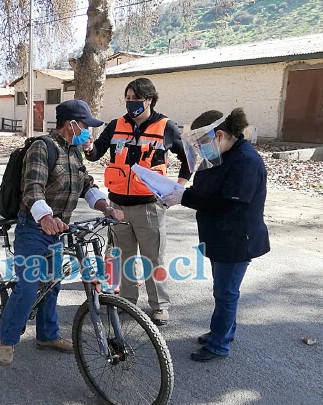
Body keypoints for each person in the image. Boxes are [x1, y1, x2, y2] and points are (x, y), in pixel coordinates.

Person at [0, 99, 124, 366]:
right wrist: (44, 216)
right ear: (72, 124)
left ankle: (47, 335)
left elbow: (87, 184)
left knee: (53, 284)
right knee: (28, 287)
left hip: (59, 228)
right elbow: (32, 188)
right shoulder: (43, 147)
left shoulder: (74, 151)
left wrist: (105, 207)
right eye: (86, 126)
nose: (89, 131)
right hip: (34, 228)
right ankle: (5, 339)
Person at [161, 108, 270, 362]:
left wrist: (184, 197)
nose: (200, 151)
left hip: (236, 239)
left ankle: (219, 344)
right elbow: (206, 189)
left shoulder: (245, 162)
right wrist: (182, 192)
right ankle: (222, 332)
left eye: (202, 144)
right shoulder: (221, 155)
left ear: (219, 135)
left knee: (226, 293)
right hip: (219, 236)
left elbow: (230, 204)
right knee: (222, 290)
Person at [83, 77, 192, 326]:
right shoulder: (116, 125)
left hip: (149, 207)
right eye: (127, 99)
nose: (130, 104)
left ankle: (160, 307)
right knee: (125, 257)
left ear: (150, 99)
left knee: (153, 258)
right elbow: (95, 153)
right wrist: (88, 147)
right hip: (118, 206)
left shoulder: (166, 127)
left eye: (135, 99)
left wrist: (178, 189)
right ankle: (128, 302)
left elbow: (188, 158)